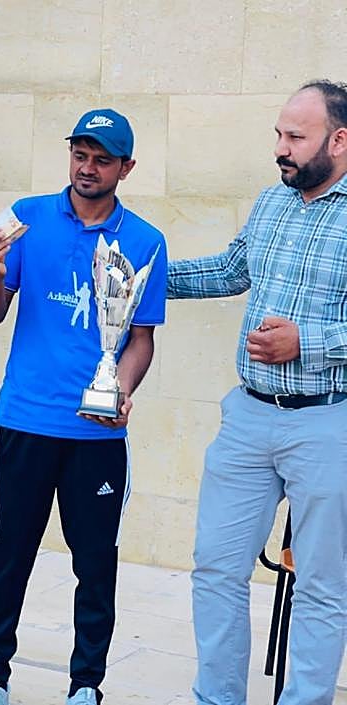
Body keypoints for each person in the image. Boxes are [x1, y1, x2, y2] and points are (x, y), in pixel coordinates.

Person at [0, 109, 168, 705]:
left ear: (126, 168)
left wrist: (120, 390)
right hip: (25, 420)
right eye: (80, 155)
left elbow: (141, 339)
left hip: (97, 435)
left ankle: (86, 686)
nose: (87, 168)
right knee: (10, 555)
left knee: (96, 565)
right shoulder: (25, 219)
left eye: (102, 159)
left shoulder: (145, 240)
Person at [167, 80, 347, 705]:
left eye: (296, 136)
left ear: (339, 140)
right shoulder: (272, 202)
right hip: (247, 417)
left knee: (322, 585)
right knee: (216, 567)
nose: (281, 148)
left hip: (327, 422)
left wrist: (308, 342)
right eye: (278, 134)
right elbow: (228, 270)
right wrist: (139, 277)